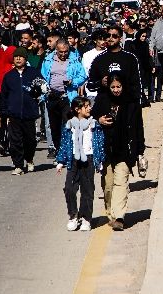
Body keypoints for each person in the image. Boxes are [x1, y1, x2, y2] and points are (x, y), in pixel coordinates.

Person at [93, 73, 144, 231]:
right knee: (108, 186)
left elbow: (138, 128)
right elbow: (90, 117)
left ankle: (119, 217)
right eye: (113, 87)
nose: (116, 90)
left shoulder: (132, 103)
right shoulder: (102, 100)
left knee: (121, 182)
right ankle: (111, 213)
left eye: (118, 86)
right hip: (106, 149)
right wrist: (99, 120)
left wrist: (140, 150)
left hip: (124, 149)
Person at [55, 96, 105, 232]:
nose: (89, 108)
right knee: (69, 188)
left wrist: (100, 160)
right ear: (77, 109)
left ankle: (86, 218)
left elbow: (99, 143)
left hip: (88, 160)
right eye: (86, 106)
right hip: (73, 161)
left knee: (87, 190)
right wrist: (60, 162)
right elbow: (64, 145)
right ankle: (73, 215)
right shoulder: (69, 125)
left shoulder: (93, 124)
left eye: (89, 105)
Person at [0, 48, 40, 175]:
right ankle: (18, 165)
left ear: (25, 59)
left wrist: (37, 94)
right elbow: (4, 96)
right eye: (16, 57)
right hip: (14, 114)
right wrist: (4, 112)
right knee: (15, 141)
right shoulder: (9, 76)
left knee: (30, 140)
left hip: (29, 113)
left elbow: (43, 88)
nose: (18, 59)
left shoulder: (33, 73)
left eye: (21, 57)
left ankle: (29, 159)